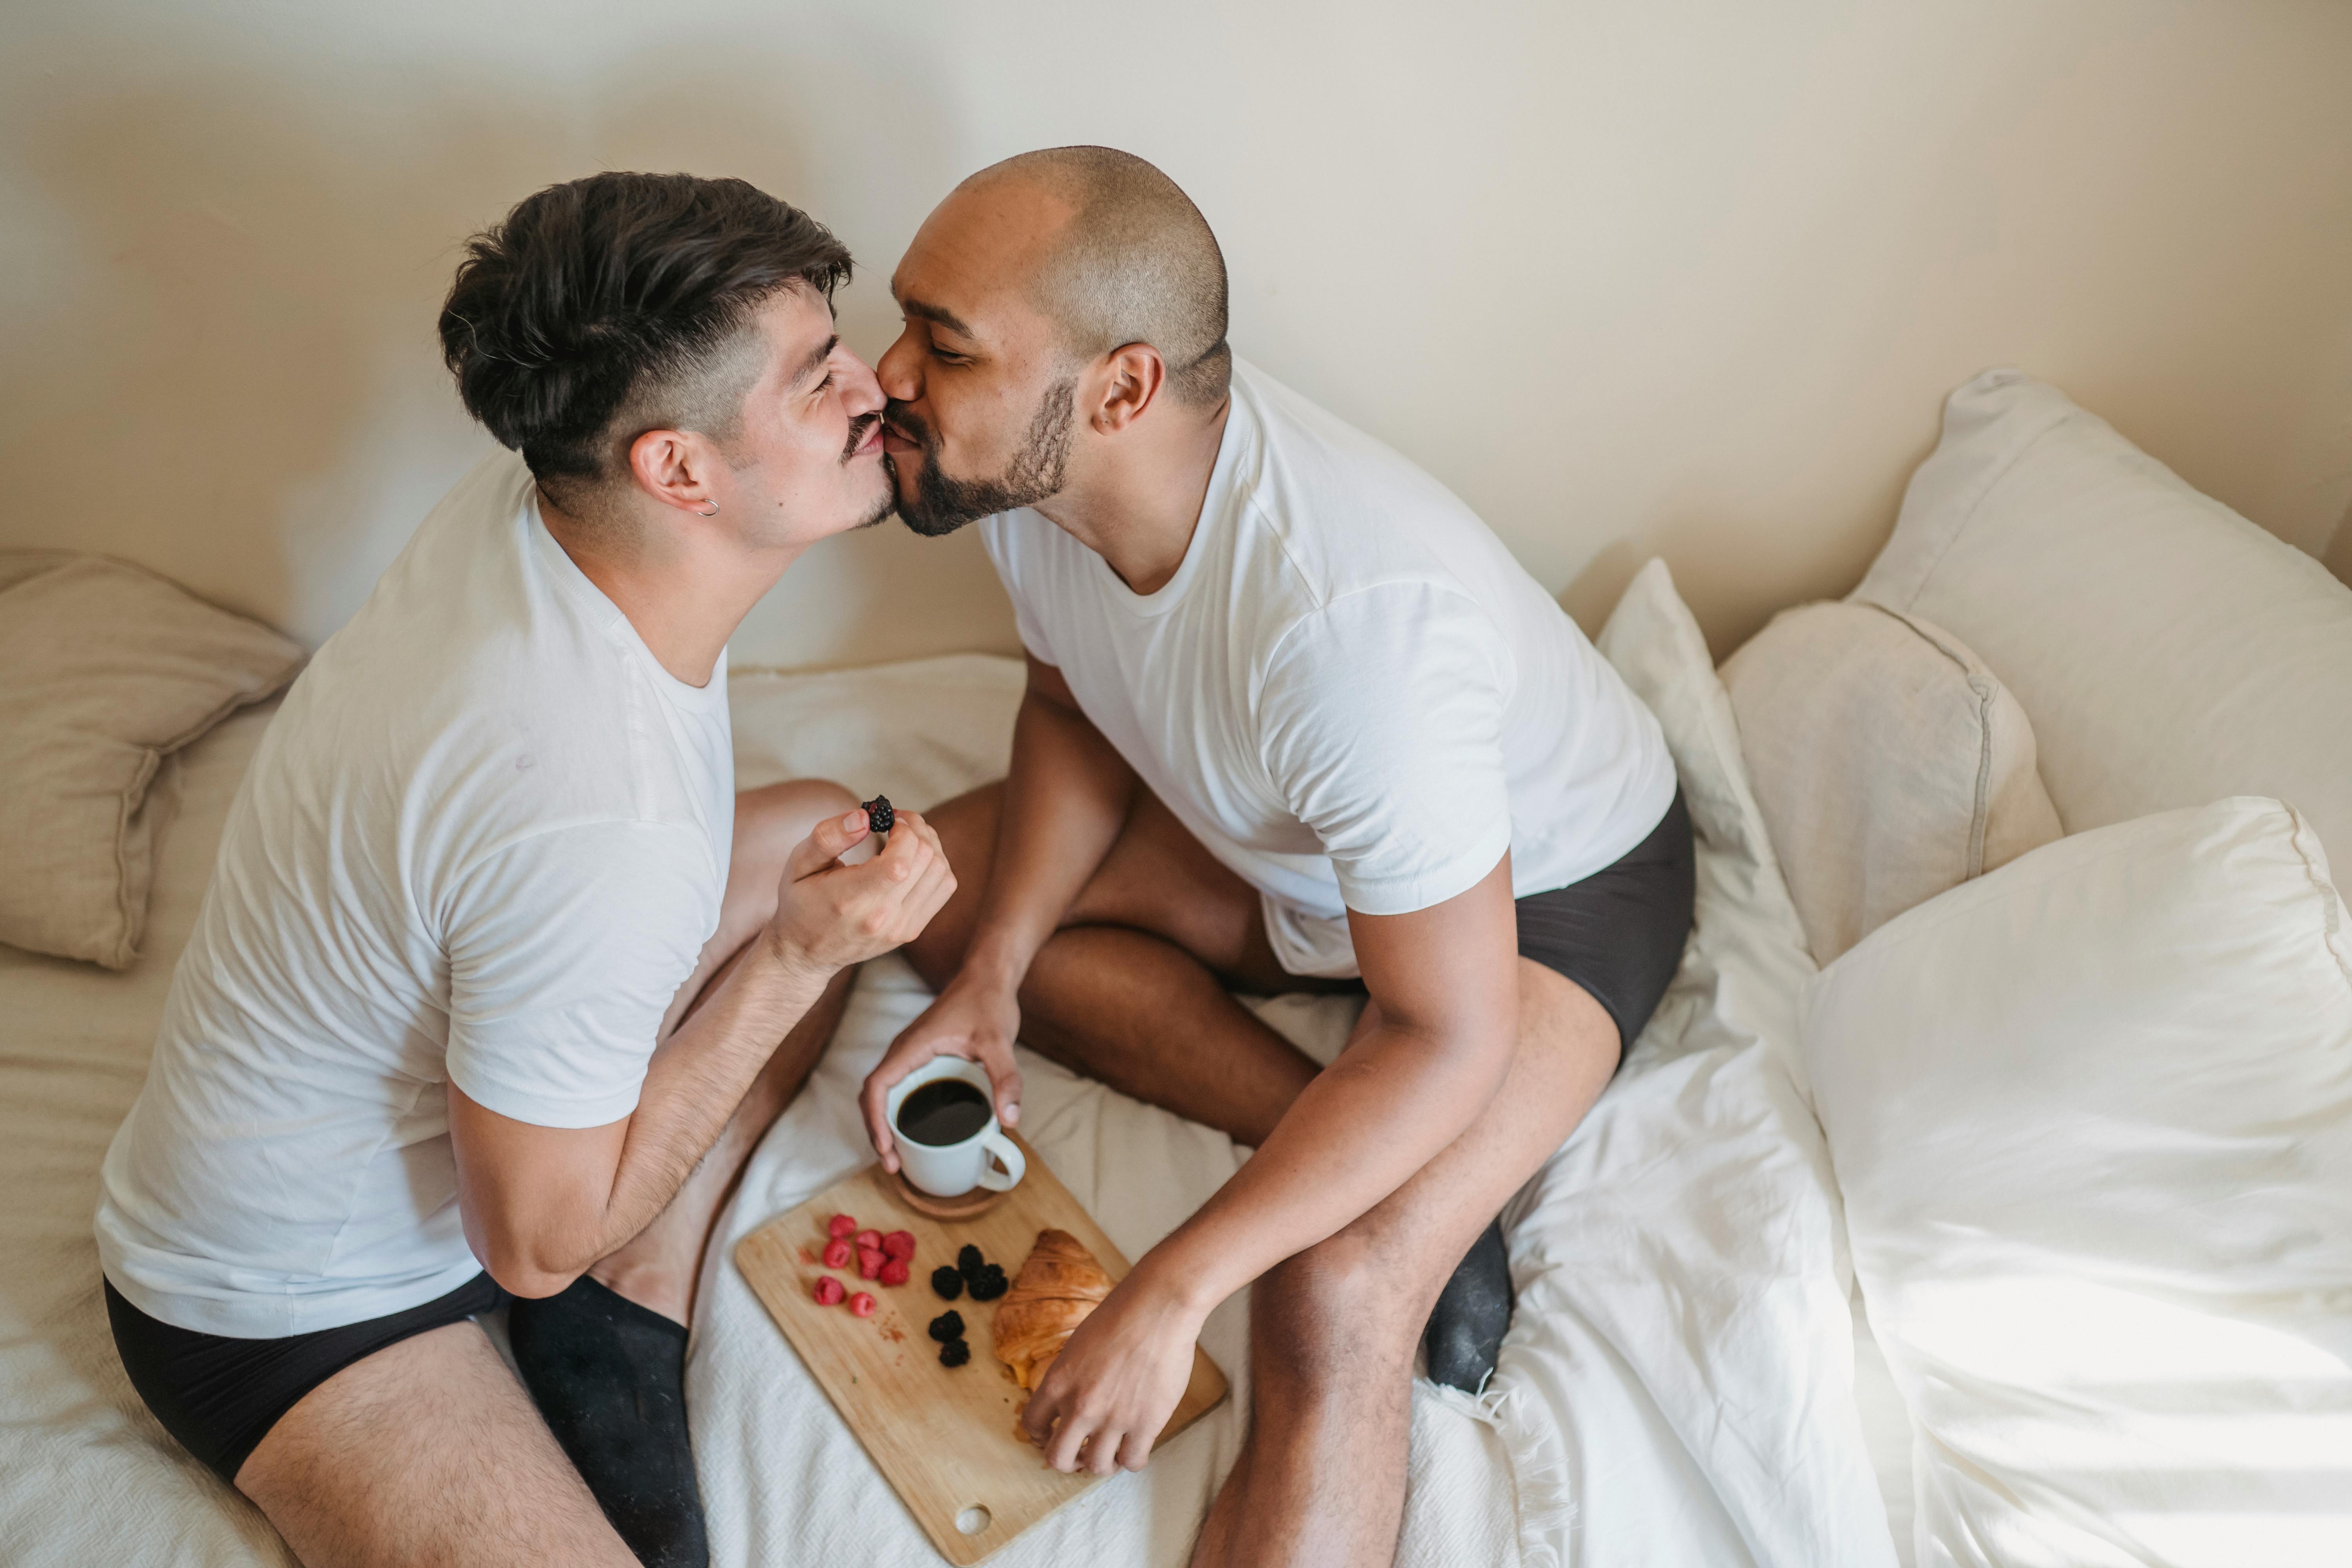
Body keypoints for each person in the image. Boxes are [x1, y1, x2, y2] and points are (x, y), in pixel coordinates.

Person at [95, 172, 954, 1568]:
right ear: (676, 470)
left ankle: (637, 1291)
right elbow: (530, 1253)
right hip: (288, 1306)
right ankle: (614, 1297)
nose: (878, 387)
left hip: (447, 1021)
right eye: (818, 381)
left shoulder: (537, 504)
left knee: (814, 822)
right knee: (771, 954)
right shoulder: (592, 820)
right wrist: (798, 959)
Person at [858, 147, 1692, 1568]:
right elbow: (1071, 709)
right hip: (1298, 861)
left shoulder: (1347, 631)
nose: (887, 375)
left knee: (1330, 1291)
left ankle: (1389, 1206)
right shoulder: (1033, 476)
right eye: (907, 322)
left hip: (1545, 905)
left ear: (1121, 389)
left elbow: (1443, 1027)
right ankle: (1348, 1143)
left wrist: (1176, 1287)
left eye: (943, 346)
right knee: (935, 893)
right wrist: (991, 978)